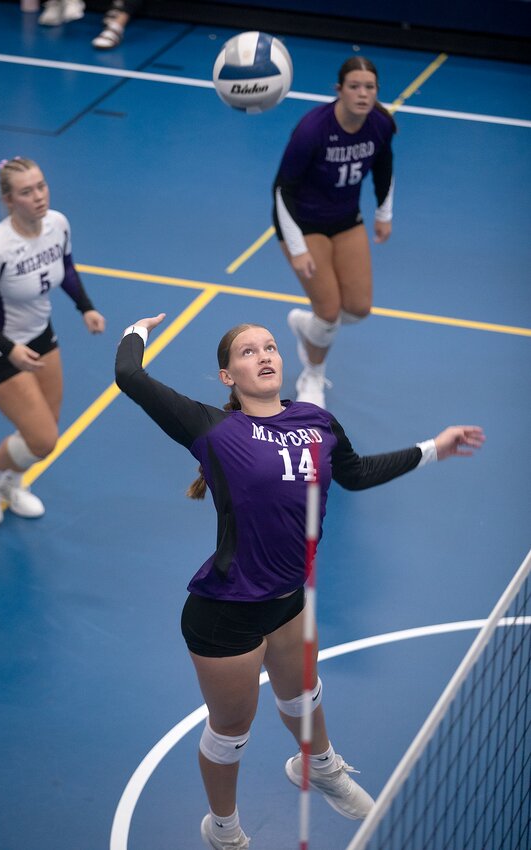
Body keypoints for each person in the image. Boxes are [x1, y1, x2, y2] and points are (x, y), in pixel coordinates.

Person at [115, 313, 485, 850]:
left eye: (269, 347)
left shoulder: (317, 421)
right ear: (227, 376)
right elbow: (131, 377)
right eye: (247, 352)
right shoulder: (214, 430)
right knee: (231, 734)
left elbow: (356, 474)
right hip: (227, 614)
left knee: (304, 694)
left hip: (287, 599)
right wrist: (137, 330)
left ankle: (319, 766)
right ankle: (223, 831)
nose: (264, 356)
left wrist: (434, 448)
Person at [0, 156, 105, 525]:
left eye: (41, 186)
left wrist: (85, 307)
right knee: (42, 440)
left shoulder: (57, 224)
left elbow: (66, 267)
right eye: (27, 192)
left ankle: (9, 481)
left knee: (42, 430)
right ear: (9, 201)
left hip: (42, 336)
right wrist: (10, 349)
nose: (39, 196)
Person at [273, 55, 396, 408]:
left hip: (345, 219)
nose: (362, 94)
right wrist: (297, 249)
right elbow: (282, 190)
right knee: (328, 313)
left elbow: (385, 165)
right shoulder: (312, 129)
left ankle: (305, 326)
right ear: (338, 90)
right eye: (354, 86)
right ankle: (311, 375)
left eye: (369, 87)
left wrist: (384, 213)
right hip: (303, 222)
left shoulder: (380, 124)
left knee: (357, 310)